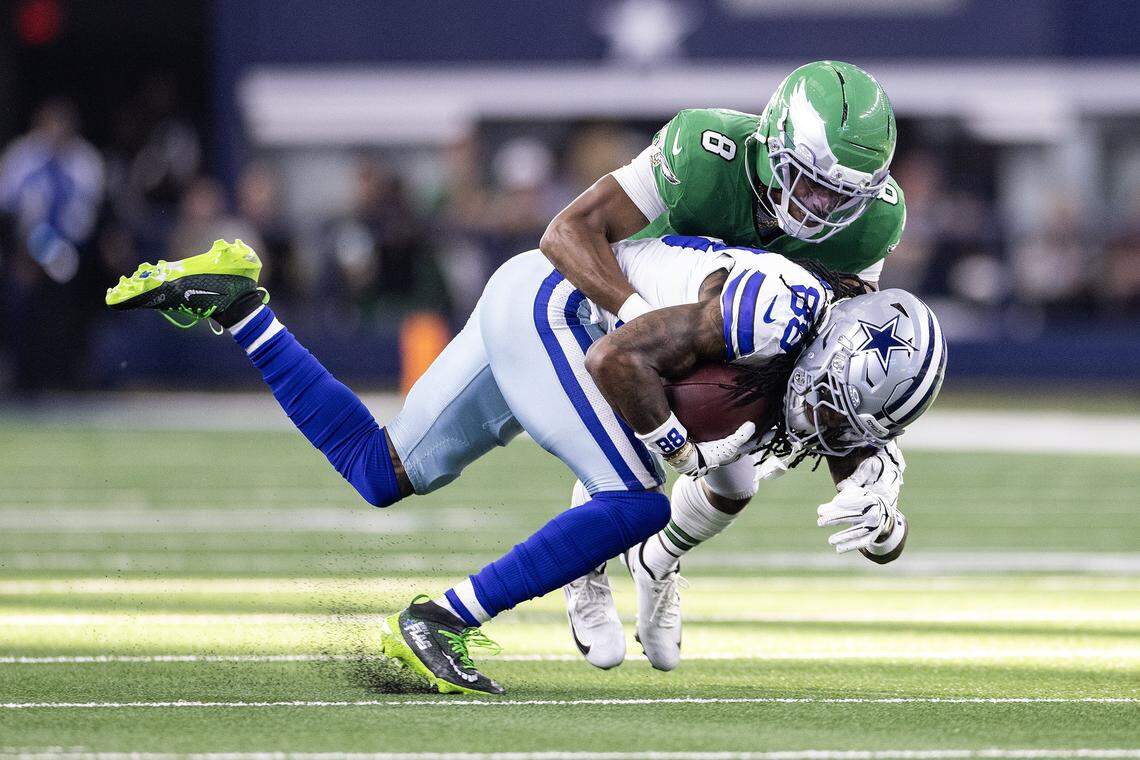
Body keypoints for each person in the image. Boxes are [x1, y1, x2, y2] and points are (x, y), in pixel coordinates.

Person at [104, 233, 945, 695]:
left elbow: (853, 471)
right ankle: (440, 620)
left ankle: (243, 309)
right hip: (563, 316)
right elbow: (619, 359)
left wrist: (885, 519)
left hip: (538, 307)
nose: (834, 428)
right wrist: (680, 453)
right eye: (840, 406)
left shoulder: (831, 365)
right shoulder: (772, 311)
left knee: (380, 470)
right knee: (639, 498)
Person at [540, 60, 910, 669]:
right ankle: (584, 562)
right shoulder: (706, 151)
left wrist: (880, 481)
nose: (820, 207)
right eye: (811, 182)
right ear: (773, 146)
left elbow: (840, 352)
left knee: (735, 476)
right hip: (651, 295)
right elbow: (569, 231)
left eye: (842, 197)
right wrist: (641, 326)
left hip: (749, 329)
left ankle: (657, 560)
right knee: (636, 456)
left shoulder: (873, 222)